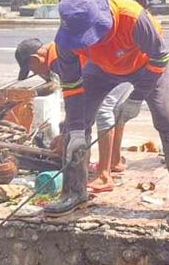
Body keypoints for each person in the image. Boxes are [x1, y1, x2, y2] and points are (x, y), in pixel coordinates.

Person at [50, 0, 169, 225]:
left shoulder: (132, 18)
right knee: (77, 122)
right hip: (101, 69)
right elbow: (72, 86)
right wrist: (74, 131)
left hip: (146, 65)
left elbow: (160, 57)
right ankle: (74, 192)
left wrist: (136, 98)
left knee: (168, 121)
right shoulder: (65, 40)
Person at [14, 37, 139, 193]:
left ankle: (104, 176)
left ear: (35, 59)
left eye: (32, 69)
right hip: (125, 64)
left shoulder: (58, 61)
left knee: (103, 111)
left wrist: (66, 133)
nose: (36, 73)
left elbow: (74, 100)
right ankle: (114, 160)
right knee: (115, 110)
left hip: (113, 69)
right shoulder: (58, 48)